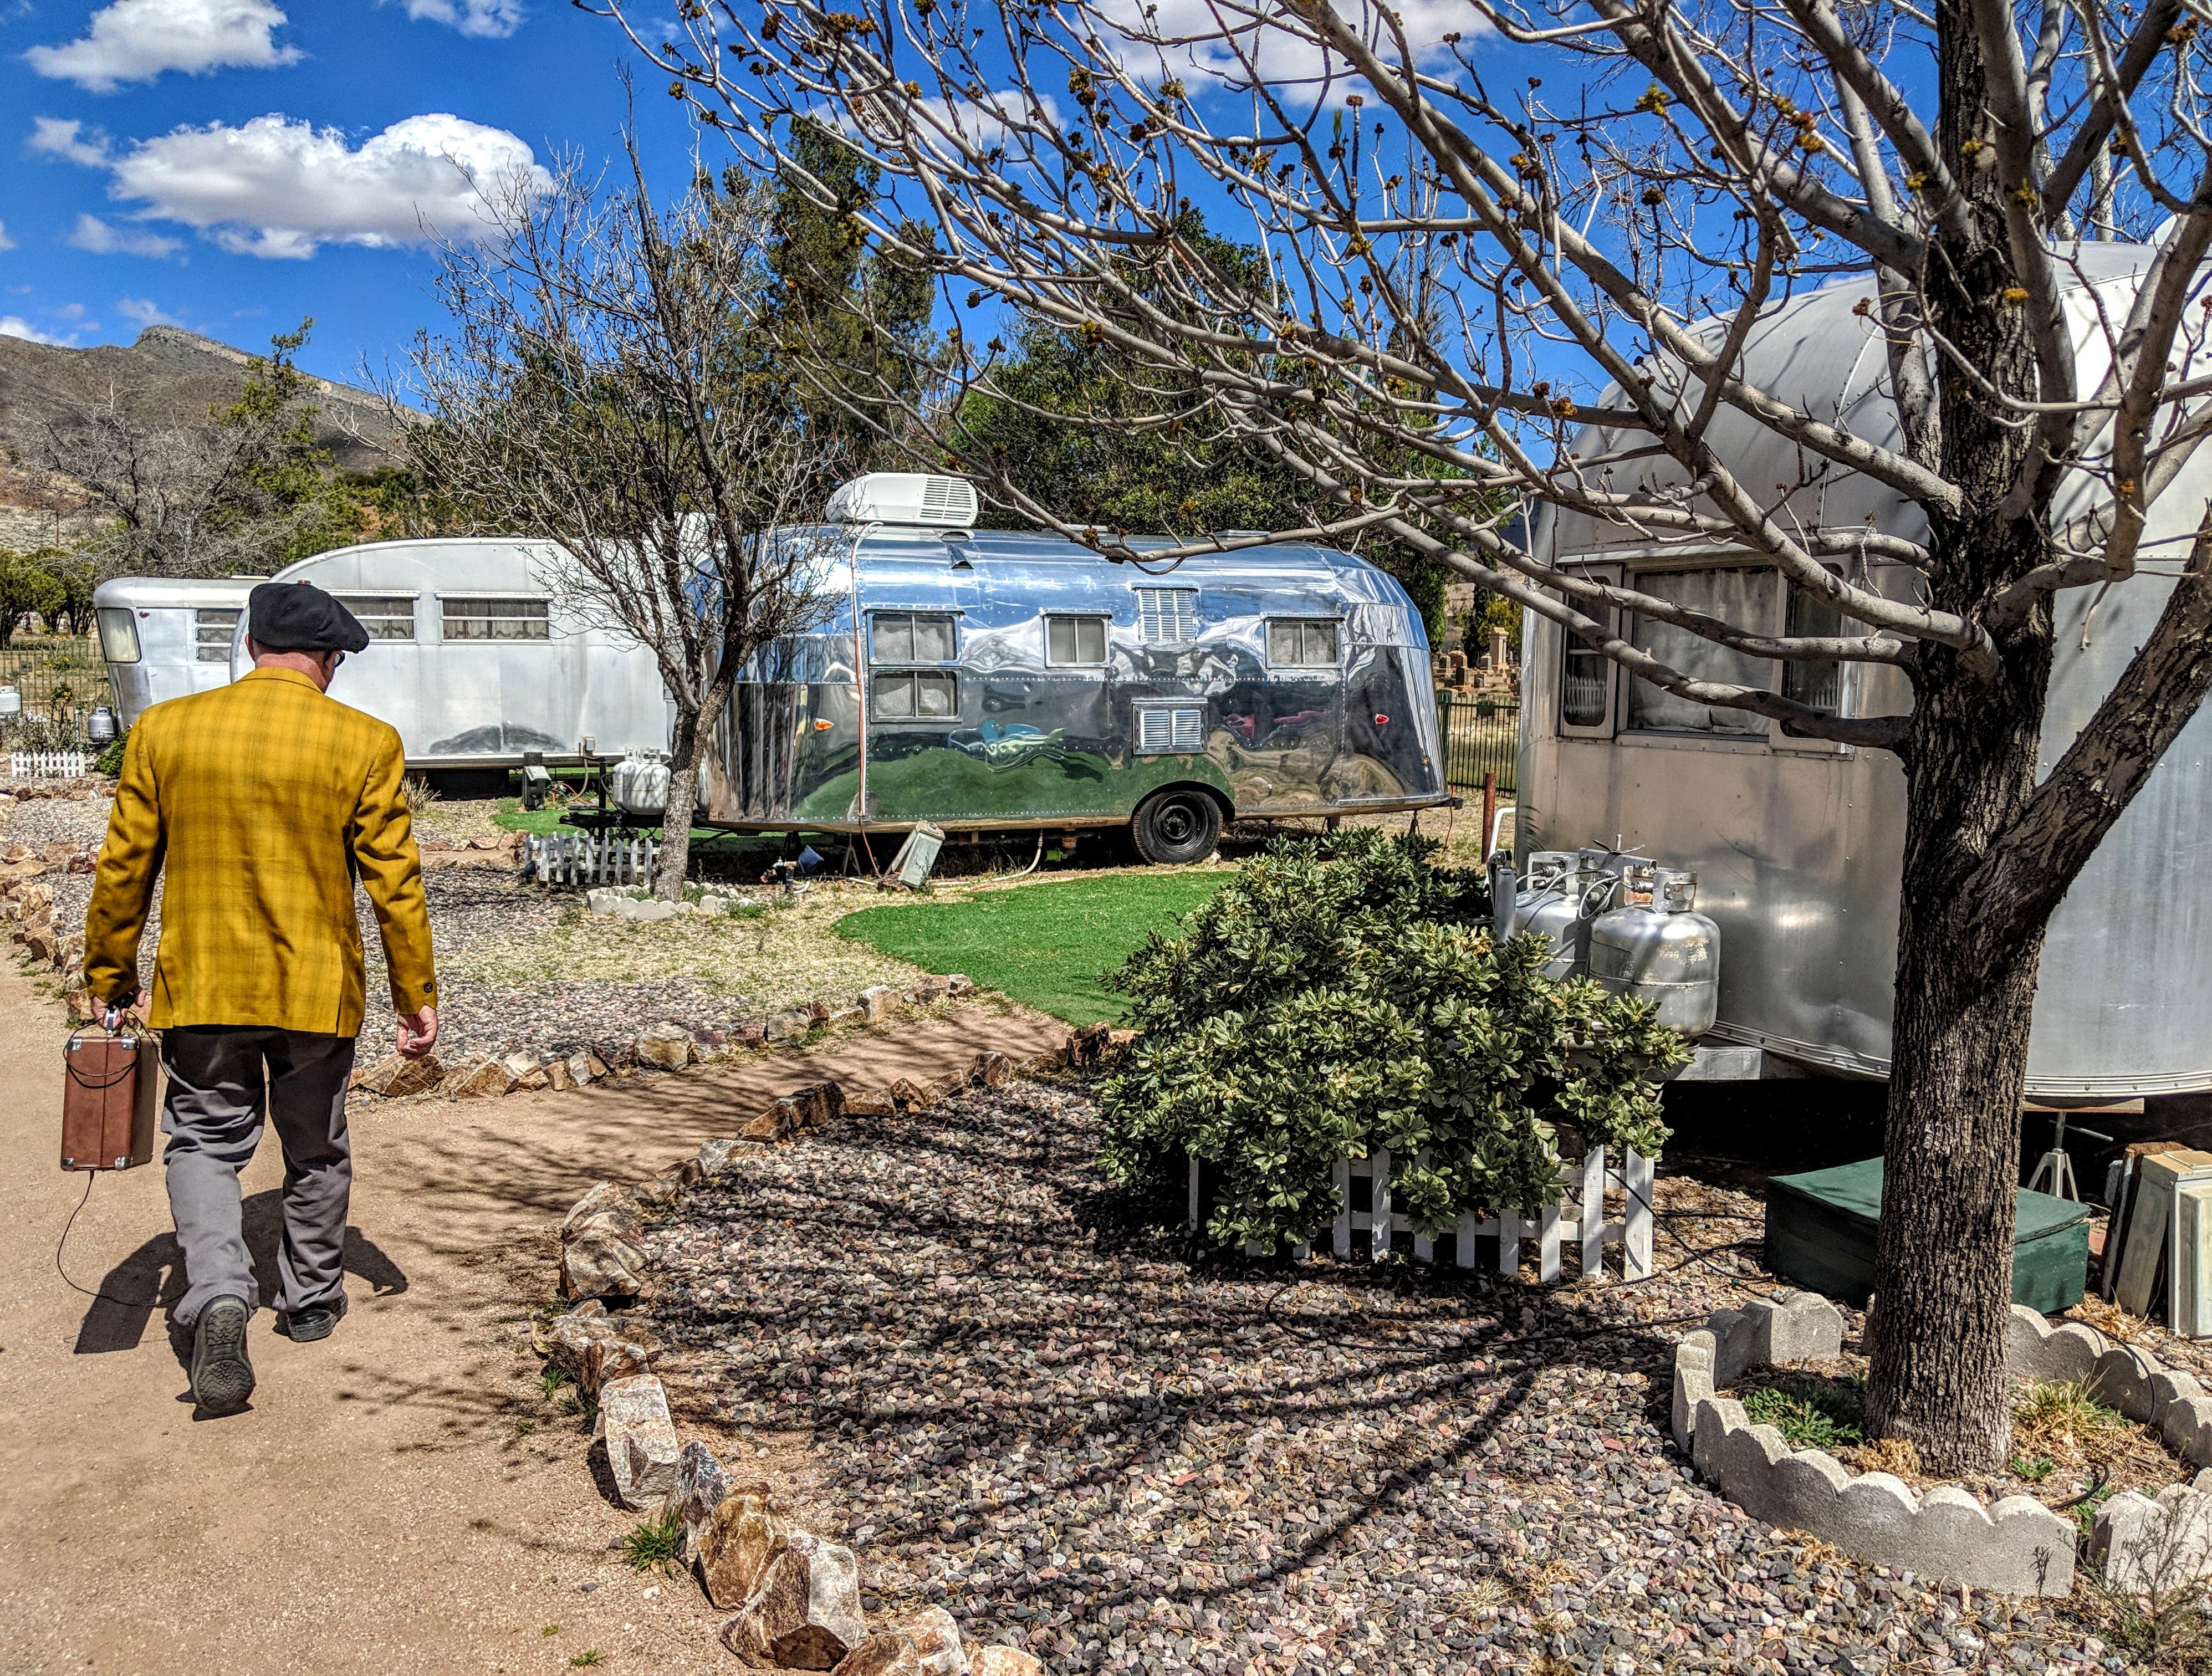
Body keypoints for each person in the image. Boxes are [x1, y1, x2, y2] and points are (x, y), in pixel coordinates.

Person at [84, 581, 439, 1417]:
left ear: (249, 647)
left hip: (202, 989)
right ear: (330, 661)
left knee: (205, 1143)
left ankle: (216, 1294)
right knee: (314, 1147)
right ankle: (311, 1301)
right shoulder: (365, 742)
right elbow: (397, 885)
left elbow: (123, 866)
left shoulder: (165, 732)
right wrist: (414, 993)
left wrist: (110, 974)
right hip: (317, 992)